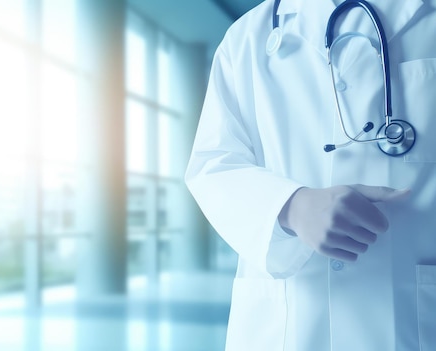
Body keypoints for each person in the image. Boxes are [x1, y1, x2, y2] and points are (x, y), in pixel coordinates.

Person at [185, 0, 436, 350]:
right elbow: (212, 164)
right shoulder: (247, 38)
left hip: (414, 318)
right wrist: (290, 206)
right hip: (292, 321)